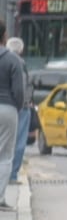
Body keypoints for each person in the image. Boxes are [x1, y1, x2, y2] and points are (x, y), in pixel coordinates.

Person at [0, 37, 29, 209]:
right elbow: (19, 90)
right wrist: (16, 107)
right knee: (5, 156)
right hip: (7, 109)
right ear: (4, 36)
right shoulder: (12, 59)